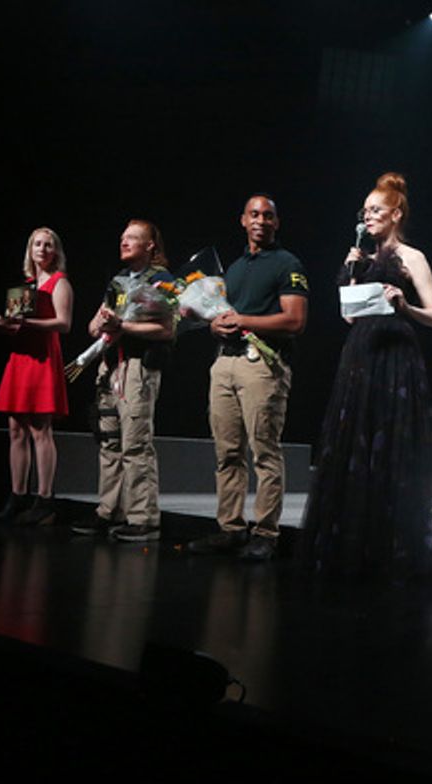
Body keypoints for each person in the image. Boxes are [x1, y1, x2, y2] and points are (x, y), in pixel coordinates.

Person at [300, 172, 432, 578]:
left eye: (376, 210)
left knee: (388, 447)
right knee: (354, 446)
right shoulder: (359, 259)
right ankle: (352, 541)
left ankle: (389, 546)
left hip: (395, 358)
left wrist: (404, 306)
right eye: (364, 212)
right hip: (360, 354)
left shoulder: (412, 258)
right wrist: (350, 270)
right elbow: (349, 316)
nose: (368, 217)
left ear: (396, 213)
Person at [186, 194, 308, 561]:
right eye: (254, 214)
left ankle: (267, 533)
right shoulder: (234, 269)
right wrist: (216, 326)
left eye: (268, 215)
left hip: (262, 367)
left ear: (276, 223)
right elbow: (222, 316)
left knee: (264, 452)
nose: (260, 220)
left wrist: (243, 321)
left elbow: (295, 320)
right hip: (225, 364)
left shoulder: (288, 263)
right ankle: (231, 529)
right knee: (227, 453)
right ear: (242, 220)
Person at [70, 220, 176, 542]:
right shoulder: (118, 281)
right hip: (108, 369)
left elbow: (168, 330)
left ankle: (143, 518)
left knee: (135, 443)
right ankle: (109, 510)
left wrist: (124, 327)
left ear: (150, 246)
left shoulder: (162, 281)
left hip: (136, 368)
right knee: (109, 442)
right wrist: (100, 324)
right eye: (122, 237)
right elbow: (93, 326)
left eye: (132, 237)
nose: (124, 242)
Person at [0, 227, 73, 526]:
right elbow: (19, 326)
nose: (42, 249)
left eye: (48, 245)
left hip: (42, 357)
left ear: (56, 251)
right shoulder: (27, 285)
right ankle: (17, 496)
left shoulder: (60, 282)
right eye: (37, 244)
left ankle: (44, 500)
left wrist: (26, 323)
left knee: (41, 430)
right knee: (16, 429)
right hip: (20, 357)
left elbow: (64, 324)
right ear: (30, 250)